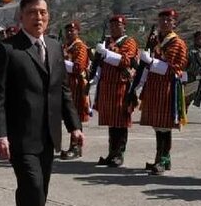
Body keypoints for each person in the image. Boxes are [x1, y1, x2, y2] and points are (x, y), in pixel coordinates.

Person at [0, 0, 82, 206]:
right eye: (32, 13)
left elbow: (62, 90)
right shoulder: (6, 49)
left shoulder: (53, 46)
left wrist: (74, 126)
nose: (38, 17)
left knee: (35, 194)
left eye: (42, 12)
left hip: (49, 135)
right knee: (33, 190)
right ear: (21, 17)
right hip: (20, 136)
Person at [137, 9, 188, 175]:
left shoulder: (177, 43)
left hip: (167, 86)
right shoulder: (156, 40)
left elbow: (176, 67)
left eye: (168, 20)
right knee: (157, 125)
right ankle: (161, 158)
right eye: (162, 20)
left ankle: (163, 158)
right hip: (154, 86)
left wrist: (152, 62)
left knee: (164, 125)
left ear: (174, 23)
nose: (164, 23)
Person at [92, 15, 138, 167]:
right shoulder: (107, 41)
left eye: (117, 25)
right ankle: (112, 153)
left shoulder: (129, 42)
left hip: (121, 86)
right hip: (107, 85)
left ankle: (119, 154)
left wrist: (107, 53)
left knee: (120, 122)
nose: (113, 28)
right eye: (111, 25)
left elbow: (126, 60)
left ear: (124, 27)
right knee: (112, 122)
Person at [60, 21, 90, 159]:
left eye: (72, 30)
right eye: (67, 31)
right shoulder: (65, 46)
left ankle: (76, 146)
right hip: (65, 83)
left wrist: (60, 62)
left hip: (76, 85)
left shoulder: (80, 47)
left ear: (78, 31)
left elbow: (78, 67)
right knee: (69, 116)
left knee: (75, 116)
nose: (69, 33)